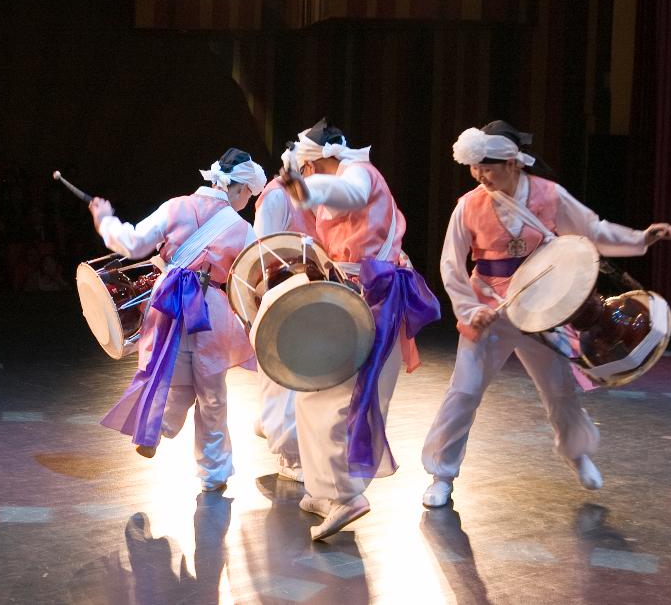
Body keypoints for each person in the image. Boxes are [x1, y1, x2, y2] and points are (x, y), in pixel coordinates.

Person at [420, 121, 671, 508]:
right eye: (475, 169)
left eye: (488, 168)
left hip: (543, 309)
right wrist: (471, 310)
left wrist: (641, 238)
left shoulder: (548, 195)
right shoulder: (468, 206)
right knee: (465, 390)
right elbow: (450, 266)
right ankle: (442, 474)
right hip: (491, 307)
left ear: (513, 163)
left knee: (559, 390)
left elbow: (594, 229)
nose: (480, 176)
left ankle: (577, 454)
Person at [280, 121, 440, 539]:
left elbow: (346, 195)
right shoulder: (329, 181)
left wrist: (305, 186)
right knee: (310, 390)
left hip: (376, 298)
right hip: (348, 294)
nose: (310, 176)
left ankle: (348, 494)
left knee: (343, 396)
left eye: (311, 168)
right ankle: (323, 490)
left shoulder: (359, 174)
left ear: (325, 158)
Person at [89, 148, 266, 492]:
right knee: (211, 390)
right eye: (248, 194)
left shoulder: (175, 207)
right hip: (209, 307)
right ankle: (213, 472)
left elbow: (133, 243)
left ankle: (158, 427)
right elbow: (257, 273)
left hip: (167, 299)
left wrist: (106, 220)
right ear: (240, 188)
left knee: (167, 369)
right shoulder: (242, 228)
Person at [250, 123, 325, 485]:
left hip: (312, 292)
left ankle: (284, 433)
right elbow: (263, 251)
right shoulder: (277, 196)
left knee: (307, 375)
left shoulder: (312, 194)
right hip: (284, 291)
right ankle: (289, 454)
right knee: (285, 377)